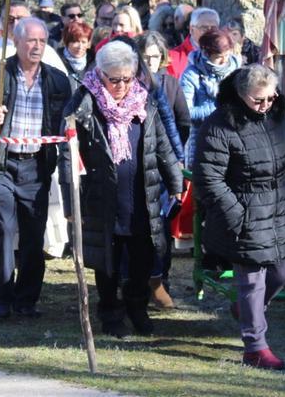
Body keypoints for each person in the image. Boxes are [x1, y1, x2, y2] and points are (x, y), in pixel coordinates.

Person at [58, 40, 183, 337]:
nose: (121, 86)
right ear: (100, 74)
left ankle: (137, 306)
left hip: (141, 195)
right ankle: (110, 311)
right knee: (108, 262)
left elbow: (161, 144)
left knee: (142, 256)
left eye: (127, 78)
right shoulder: (83, 103)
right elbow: (67, 155)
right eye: (114, 80)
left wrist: (175, 182)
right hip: (102, 197)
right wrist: (70, 203)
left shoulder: (144, 100)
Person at [192, 64, 285, 370]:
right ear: (241, 96)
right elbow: (209, 179)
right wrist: (237, 215)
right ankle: (255, 347)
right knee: (252, 282)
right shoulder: (219, 126)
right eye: (258, 100)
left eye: (270, 97)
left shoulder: (278, 116)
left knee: (283, 272)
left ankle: (246, 310)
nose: (266, 105)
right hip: (243, 214)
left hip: (278, 211)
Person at [0, 17, 71, 320]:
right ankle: (3, 295)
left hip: (37, 166)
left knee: (34, 235)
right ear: (17, 42)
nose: (37, 46)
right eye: (31, 40)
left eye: (42, 41)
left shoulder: (57, 80)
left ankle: (27, 299)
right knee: (4, 229)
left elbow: (68, 122)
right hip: (0, 165)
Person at [136, 31, 190, 309]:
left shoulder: (169, 84)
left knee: (161, 227)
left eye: (155, 57)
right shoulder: (129, 83)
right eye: (145, 57)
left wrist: (172, 157)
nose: (150, 62)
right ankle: (134, 282)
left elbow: (181, 122)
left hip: (163, 163)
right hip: (135, 163)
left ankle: (160, 280)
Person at [180, 29, 239, 168]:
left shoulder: (236, 71)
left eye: (227, 55)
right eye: (219, 57)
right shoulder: (191, 75)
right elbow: (185, 112)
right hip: (202, 140)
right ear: (206, 53)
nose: (225, 60)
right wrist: (219, 107)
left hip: (232, 139)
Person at [0, 1, 67, 73]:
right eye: (10, 19)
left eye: (21, 19)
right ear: (2, 21)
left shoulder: (45, 51)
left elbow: (62, 84)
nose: (16, 23)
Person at [168, 7, 219, 78]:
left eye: (213, 28)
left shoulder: (224, 57)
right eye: (204, 28)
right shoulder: (172, 58)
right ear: (191, 29)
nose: (209, 32)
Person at [57, 21, 93, 88]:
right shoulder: (56, 59)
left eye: (83, 42)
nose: (80, 47)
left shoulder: (94, 62)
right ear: (67, 42)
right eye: (75, 42)